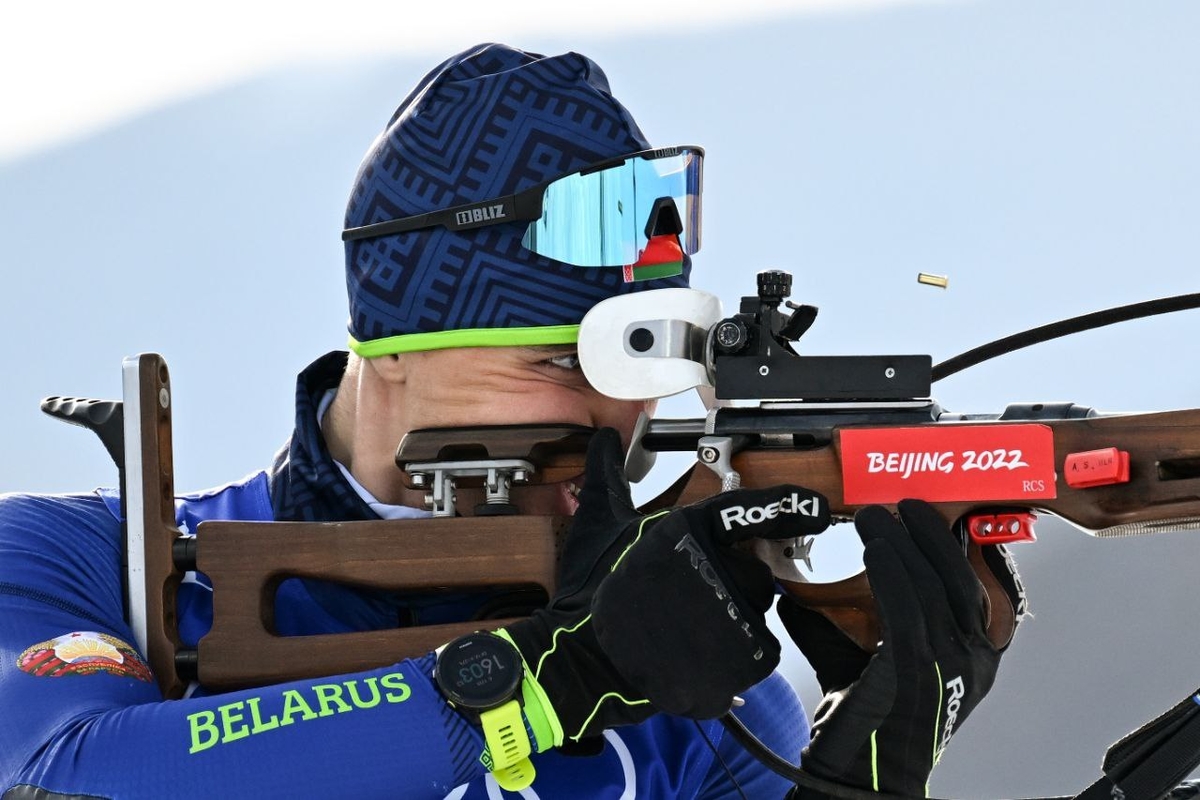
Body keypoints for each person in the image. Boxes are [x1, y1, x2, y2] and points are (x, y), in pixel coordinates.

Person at [0, 44, 1017, 799]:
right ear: (392, 356)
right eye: (557, 361)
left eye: (641, 367)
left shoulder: (707, 700)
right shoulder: (77, 564)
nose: (616, 415)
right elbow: (63, 780)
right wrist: (545, 683)